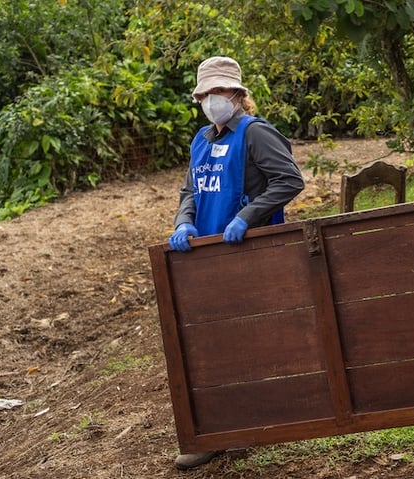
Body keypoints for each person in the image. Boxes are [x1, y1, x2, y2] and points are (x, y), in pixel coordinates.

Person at [167, 56, 305, 469]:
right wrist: (184, 221)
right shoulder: (201, 139)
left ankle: (249, 423)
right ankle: (220, 430)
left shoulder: (255, 132)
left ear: (239, 94)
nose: (214, 100)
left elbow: (290, 180)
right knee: (210, 341)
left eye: (220, 91)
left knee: (245, 339)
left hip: (247, 250)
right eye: (206, 93)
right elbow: (190, 189)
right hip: (205, 252)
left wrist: (247, 217)